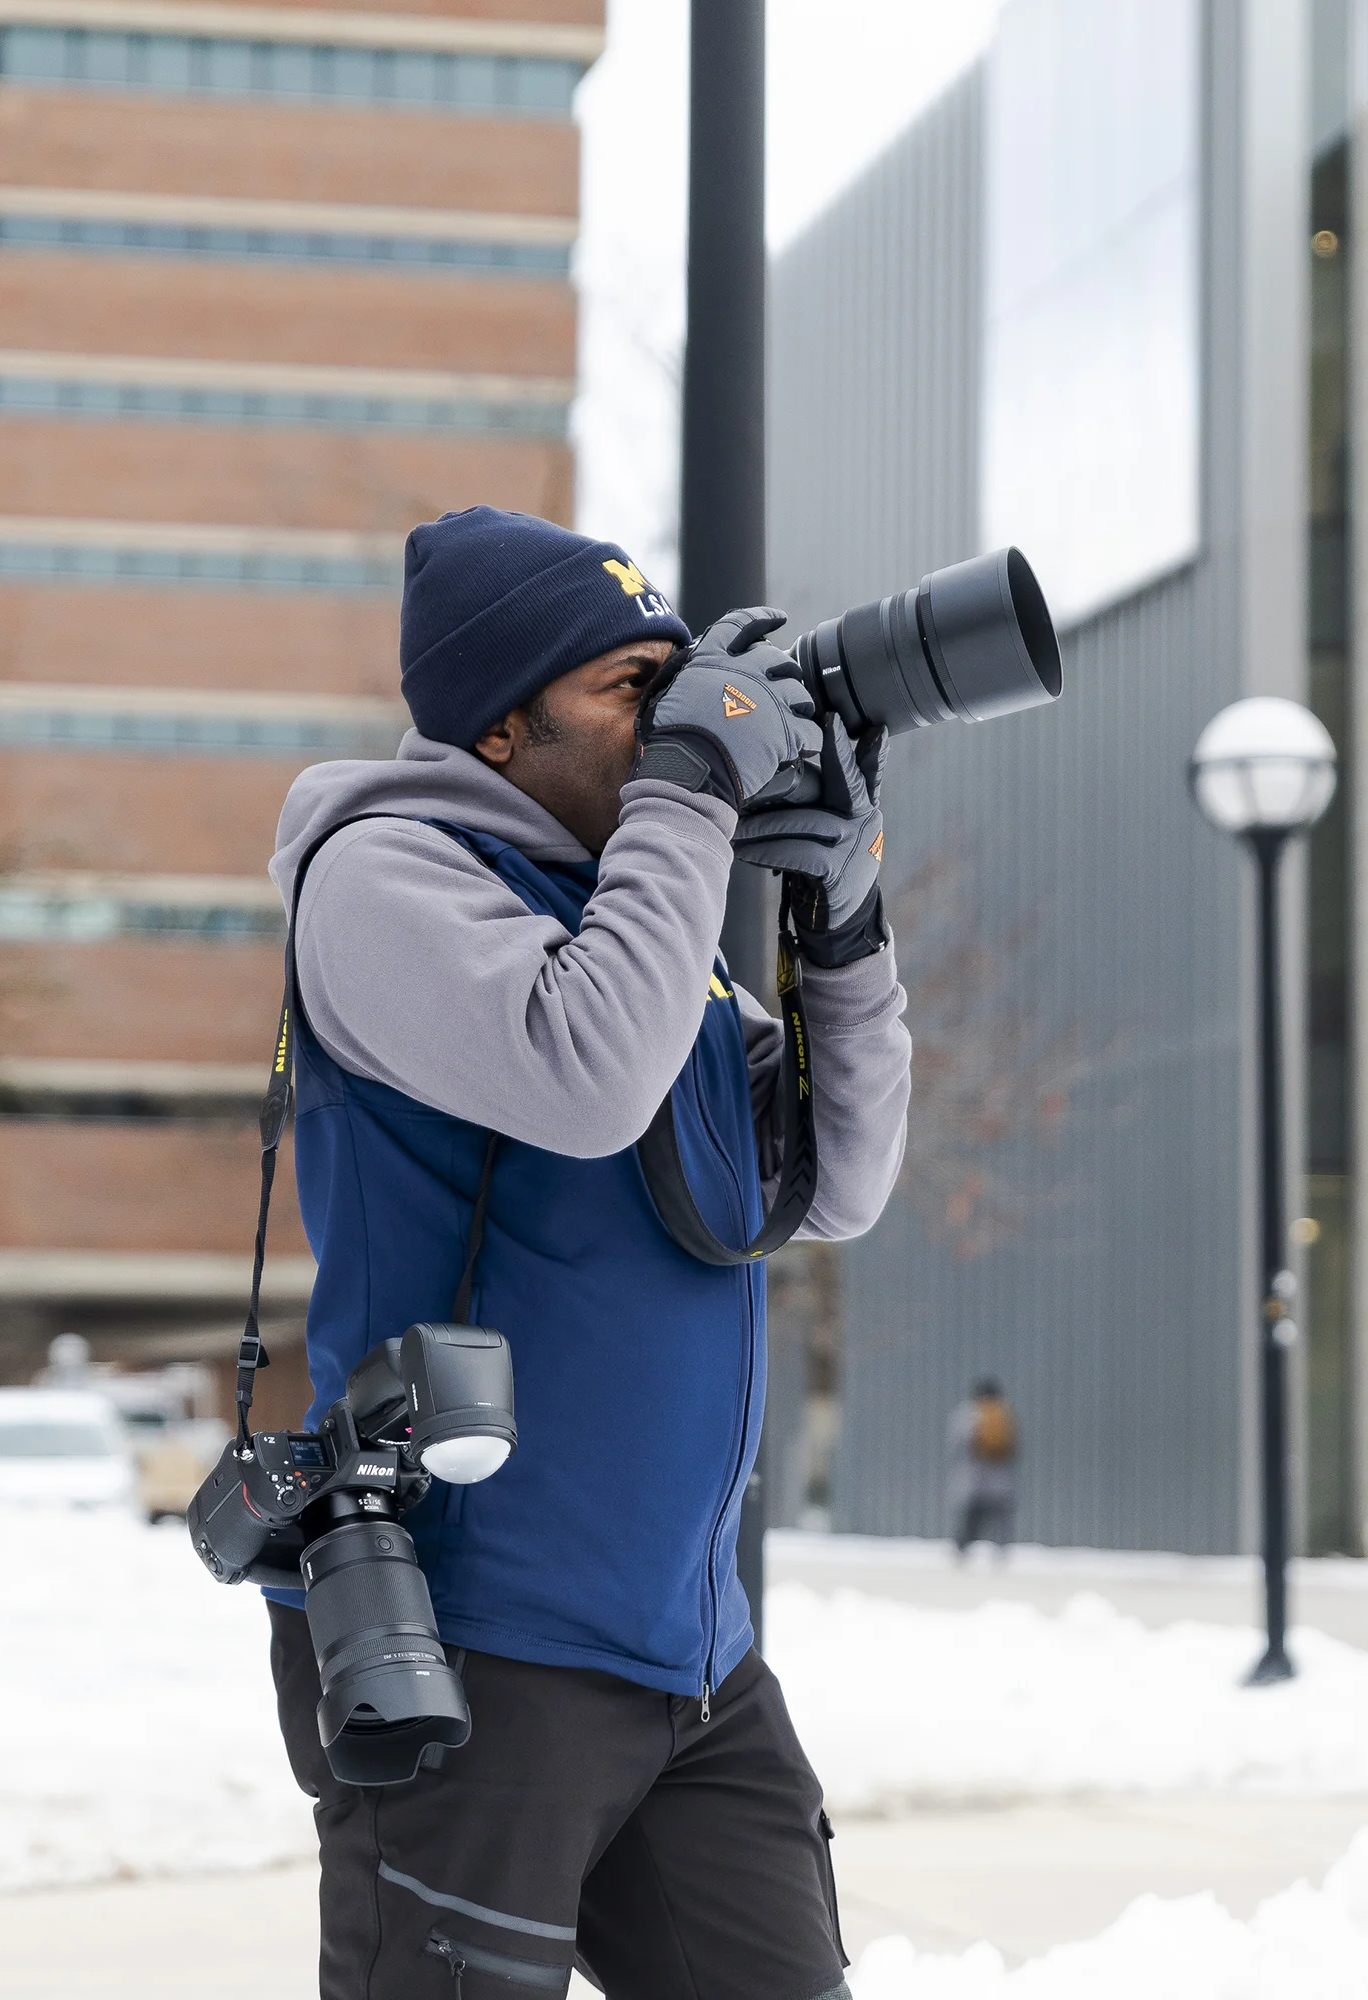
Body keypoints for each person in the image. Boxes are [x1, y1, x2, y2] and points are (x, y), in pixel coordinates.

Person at [262, 506, 910, 1999]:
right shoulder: (383, 880)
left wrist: (842, 908)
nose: (681, 724)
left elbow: (843, 1181)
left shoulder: (646, 928)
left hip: (687, 1655)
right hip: (474, 1649)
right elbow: (586, 1077)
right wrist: (691, 796)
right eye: (636, 689)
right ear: (501, 726)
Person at [949, 1376, 1018, 1560]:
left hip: (974, 1479)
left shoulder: (969, 1413)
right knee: (999, 1520)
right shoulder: (1004, 1413)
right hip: (1000, 1480)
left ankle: (961, 1552)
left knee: (972, 1519)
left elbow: (958, 1443)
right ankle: (1001, 1553)